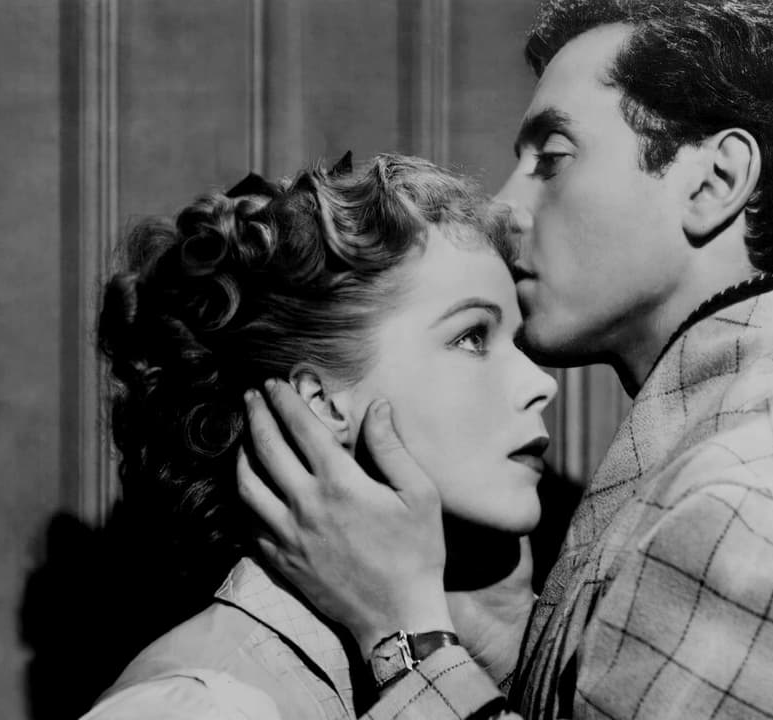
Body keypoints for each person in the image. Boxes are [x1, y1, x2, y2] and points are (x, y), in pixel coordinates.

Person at [238, 1, 773, 718]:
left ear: (716, 181)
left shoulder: (749, 511)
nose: (501, 207)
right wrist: (510, 640)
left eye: (553, 158)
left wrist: (403, 635)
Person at [80, 153, 558, 720]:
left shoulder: (419, 651)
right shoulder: (197, 707)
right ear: (320, 403)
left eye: (516, 343)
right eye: (471, 336)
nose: (541, 384)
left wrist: (503, 641)